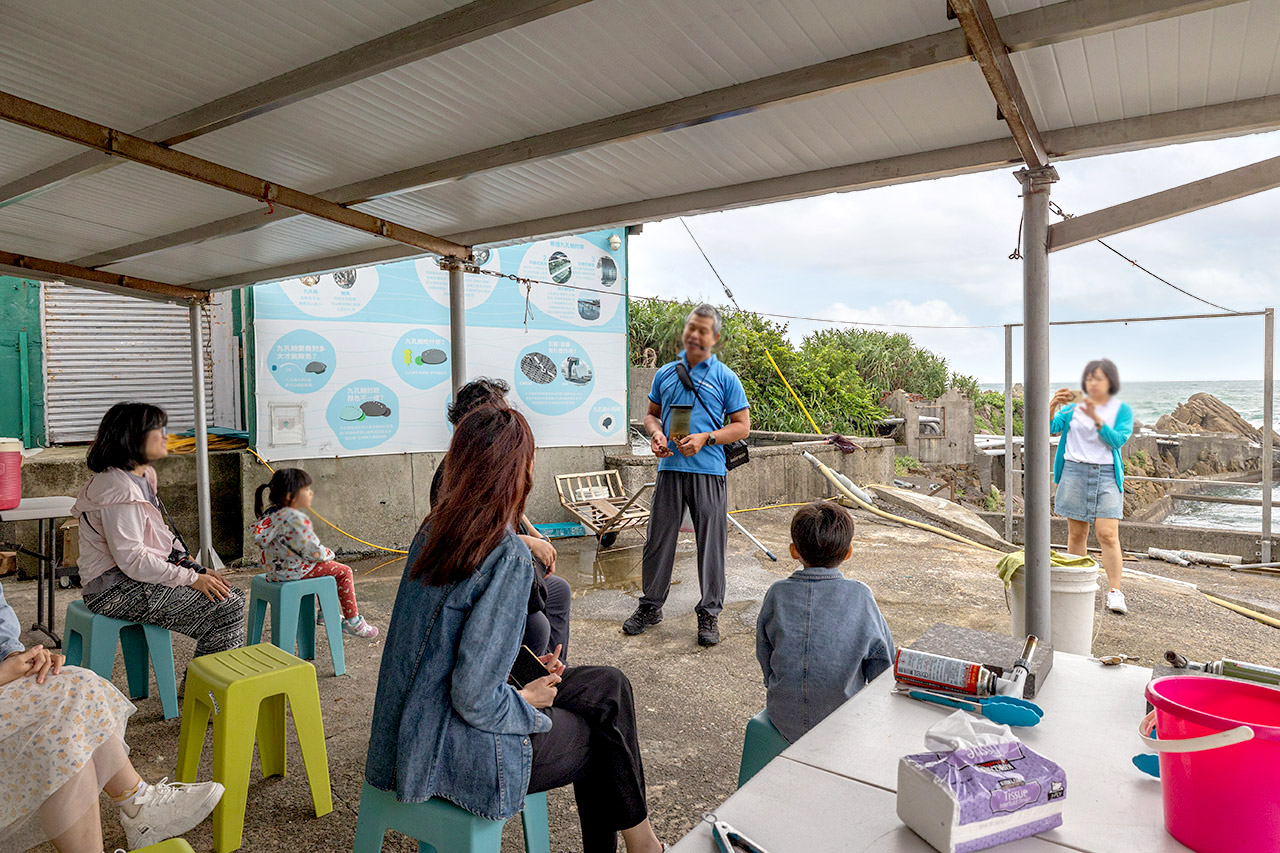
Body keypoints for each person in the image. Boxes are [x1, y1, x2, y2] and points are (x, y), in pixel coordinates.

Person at [366, 407, 664, 853]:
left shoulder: (434, 530)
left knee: (609, 686)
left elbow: (444, 650)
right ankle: (645, 846)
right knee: (600, 736)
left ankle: (645, 844)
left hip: (406, 734)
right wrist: (525, 699)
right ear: (517, 471)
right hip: (449, 751)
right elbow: (475, 697)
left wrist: (517, 669)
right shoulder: (504, 555)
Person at [0, 581, 224, 852]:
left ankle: (138, 804)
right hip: (114, 588)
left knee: (78, 682)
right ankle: (137, 811)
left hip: (143, 581)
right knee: (57, 724)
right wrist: (187, 576)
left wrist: (16, 656)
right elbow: (135, 561)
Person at [73, 402, 245, 657]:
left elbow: (158, 533)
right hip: (113, 589)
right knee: (225, 607)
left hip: (134, 578)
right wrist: (192, 579)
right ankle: (207, 692)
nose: (166, 436)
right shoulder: (117, 488)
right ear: (134, 438)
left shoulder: (143, 476)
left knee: (230, 594)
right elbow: (133, 560)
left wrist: (191, 566)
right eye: (158, 430)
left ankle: (207, 688)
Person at [624, 303, 750, 646]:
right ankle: (651, 606)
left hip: (708, 470)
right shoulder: (665, 373)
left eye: (703, 330)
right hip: (669, 469)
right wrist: (656, 434)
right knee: (657, 541)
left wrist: (707, 438)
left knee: (711, 544)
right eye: (691, 328)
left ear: (715, 337)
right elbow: (651, 415)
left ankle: (709, 613)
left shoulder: (726, 377)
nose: (695, 335)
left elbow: (742, 426)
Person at [430, 377, 571, 663]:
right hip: (479, 579)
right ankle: (523, 686)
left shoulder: (493, 462)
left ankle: (553, 673)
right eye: (500, 416)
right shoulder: (452, 477)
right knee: (536, 623)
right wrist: (526, 544)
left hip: (504, 564)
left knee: (558, 592)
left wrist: (532, 531)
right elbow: (469, 539)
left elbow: (507, 509)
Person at [755, 502, 894, 744]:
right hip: (843, 720)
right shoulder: (860, 595)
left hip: (783, 717)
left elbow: (764, 652)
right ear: (848, 552)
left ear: (794, 551)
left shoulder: (777, 593)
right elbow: (884, 664)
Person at [252, 467, 378, 638]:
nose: (311, 493)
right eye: (306, 489)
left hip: (275, 573)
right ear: (291, 496)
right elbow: (314, 552)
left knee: (325, 570)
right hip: (294, 572)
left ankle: (326, 614)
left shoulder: (270, 516)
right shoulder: (294, 520)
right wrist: (328, 553)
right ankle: (353, 622)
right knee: (343, 571)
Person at [1050, 358, 1134, 614]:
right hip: (1074, 471)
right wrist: (1053, 404)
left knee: (1107, 534)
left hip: (1107, 474)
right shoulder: (1071, 408)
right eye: (1089, 378)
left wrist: (1096, 417)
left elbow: (1117, 440)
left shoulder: (1121, 410)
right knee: (1077, 534)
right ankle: (1077, 586)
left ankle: (1115, 591)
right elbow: (1049, 428)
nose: (1093, 383)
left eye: (1098, 378)